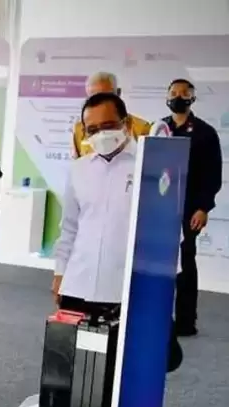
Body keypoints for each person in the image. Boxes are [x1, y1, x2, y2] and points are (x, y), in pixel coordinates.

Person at [53, 92, 182, 371]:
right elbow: (70, 226)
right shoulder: (79, 170)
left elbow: (170, 232)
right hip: (81, 284)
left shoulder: (152, 166)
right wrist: (60, 273)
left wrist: (163, 288)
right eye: (92, 129)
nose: (101, 134)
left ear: (127, 123)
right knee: (80, 367)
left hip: (130, 287)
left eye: (108, 125)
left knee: (132, 366)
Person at [162, 78, 223, 336]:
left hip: (189, 209)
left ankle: (186, 321)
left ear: (192, 98)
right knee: (157, 264)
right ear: (167, 97)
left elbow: (213, 175)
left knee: (185, 263)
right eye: (173, 92)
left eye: (184, 93)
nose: (178, 97)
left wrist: (203, 208)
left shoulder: (205, 133)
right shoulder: (159, 129)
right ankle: (158, 317)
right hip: (159, 208)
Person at [71, 72, 151, 159]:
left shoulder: (142, 129)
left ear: (118, 93)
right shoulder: (80, 130)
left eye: (107, 97)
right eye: (94, 99)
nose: (101, 105)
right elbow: (77, 163)